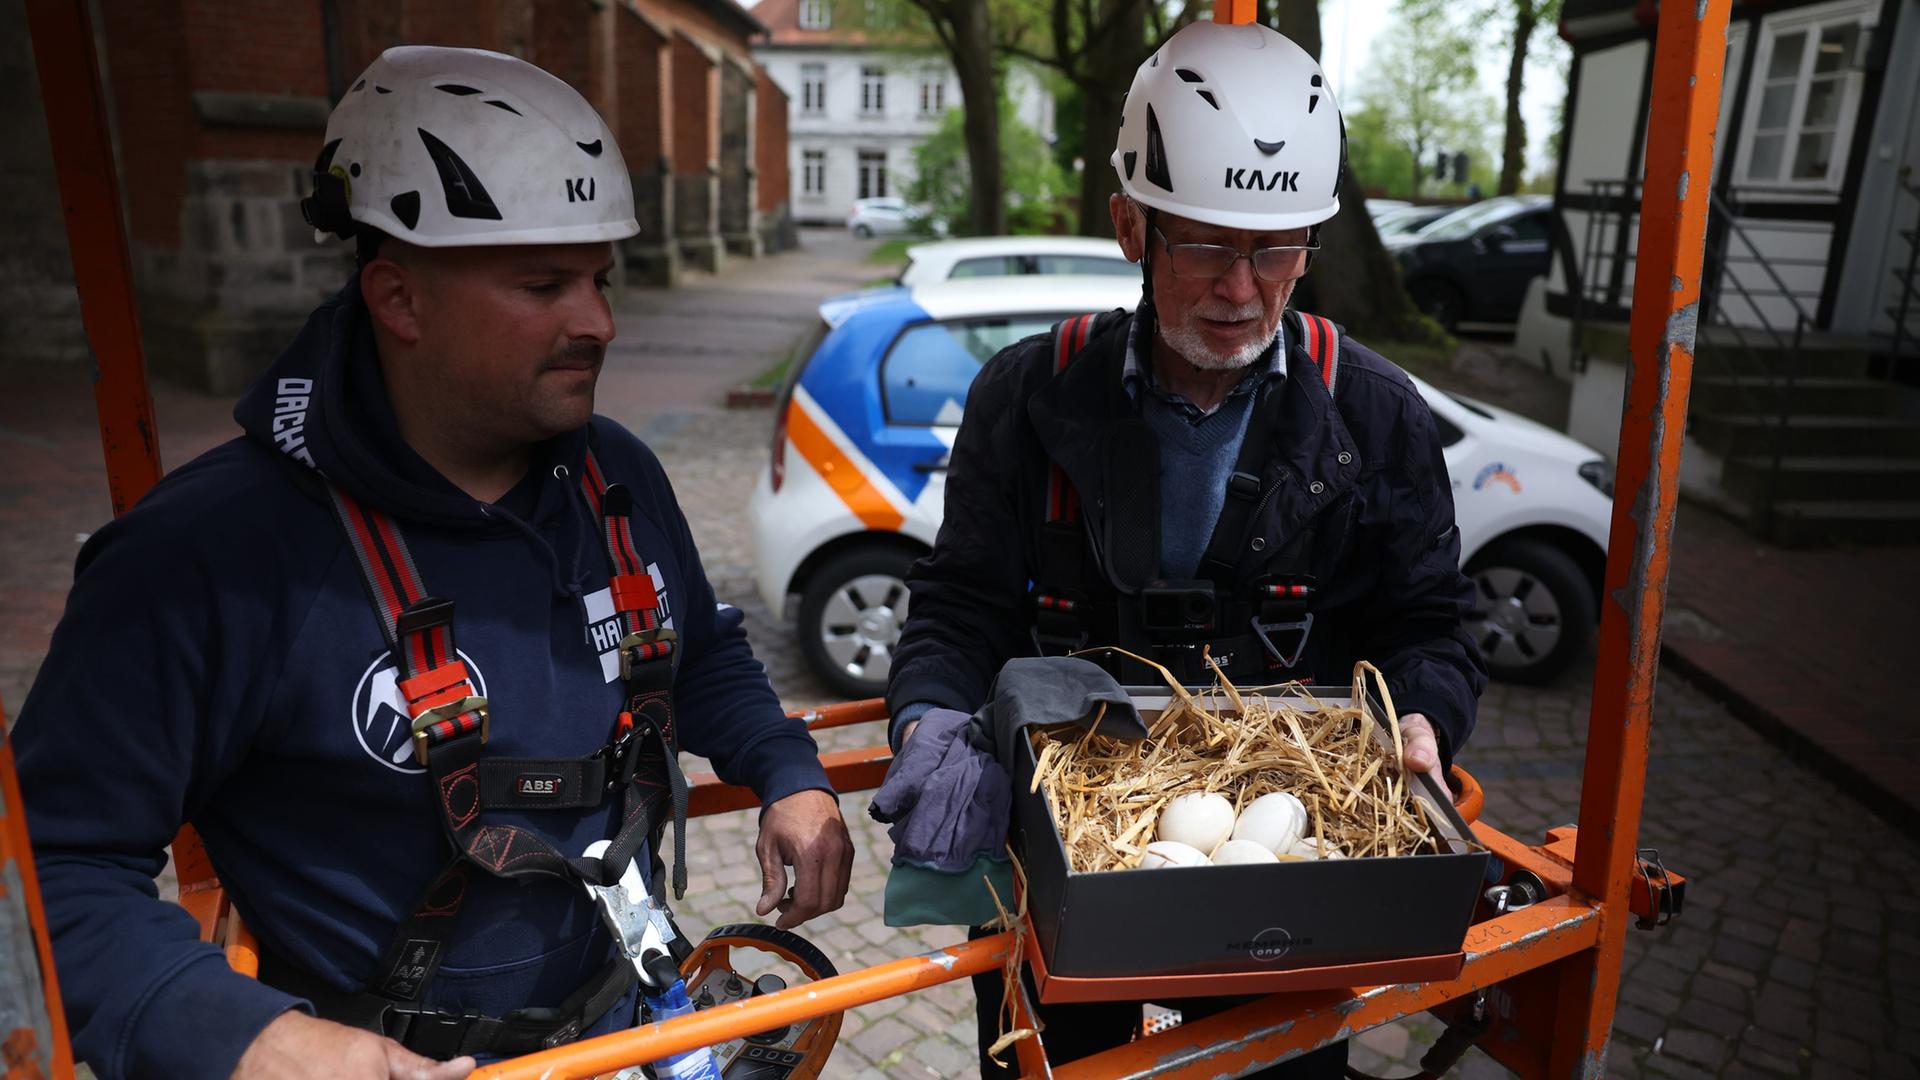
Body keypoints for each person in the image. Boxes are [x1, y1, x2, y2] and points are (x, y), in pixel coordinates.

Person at [14, 46, 852, 1080]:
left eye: (600, 278)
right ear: (399, 299)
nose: (598, 321)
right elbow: (51, 868)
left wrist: (786, 772)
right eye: (544, 283)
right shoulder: (210, 557)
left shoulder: (615, 484)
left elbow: (698, 650)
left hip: (620, 1034)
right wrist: (253, 1042)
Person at [883, 20, 1487, 1078]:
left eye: (1276, 250)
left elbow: (1429, 628)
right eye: (1206, 242)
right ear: (1131, 225)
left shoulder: (1376, 417)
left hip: (1287, 875)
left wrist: (1424, 718)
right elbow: (960, 605)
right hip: (1061, 855)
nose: (1242, 288)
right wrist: (931, 715)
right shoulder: (1029, 399)